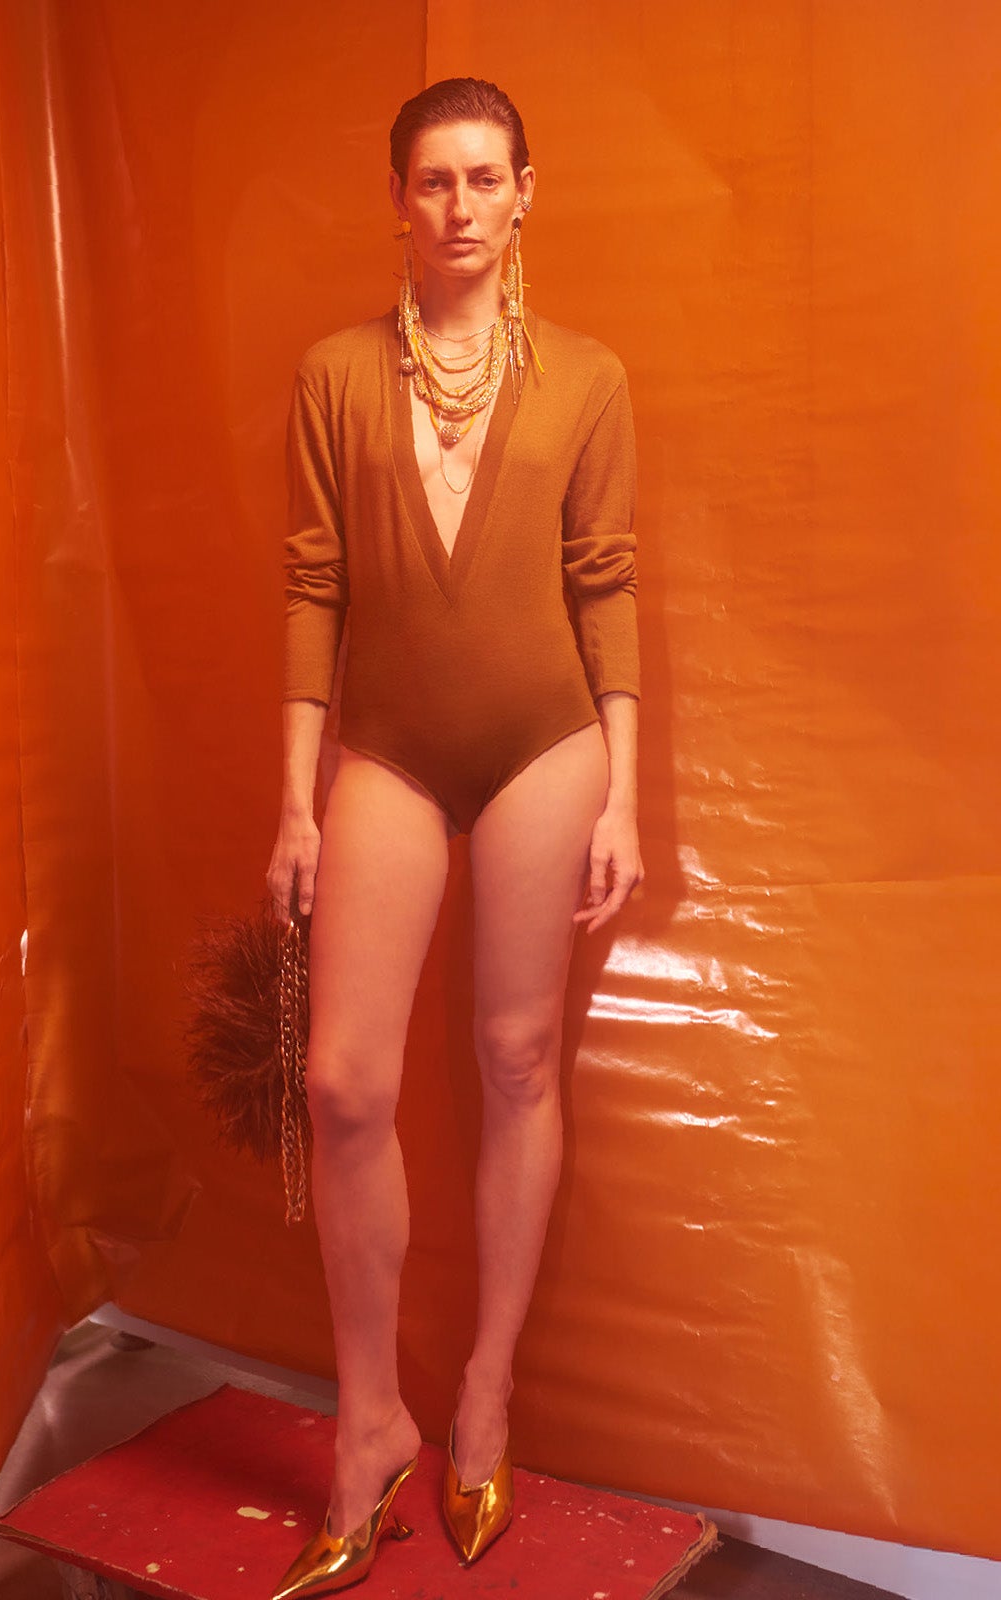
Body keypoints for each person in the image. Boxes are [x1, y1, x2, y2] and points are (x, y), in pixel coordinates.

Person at [265, 77, 643, 1599]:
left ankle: (485, 1394)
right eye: (434, 180)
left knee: (515, 1057)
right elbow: (314, 585)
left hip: (548, 745)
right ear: (400, 202)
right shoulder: (335, 375)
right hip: (389, 751)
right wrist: (293, 800)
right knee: (342, 1083)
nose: (461, 204)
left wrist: (624, 791)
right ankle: (369, 1420)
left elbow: (605, 582)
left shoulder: (588, 378)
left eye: (487, 177)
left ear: (524, 193)